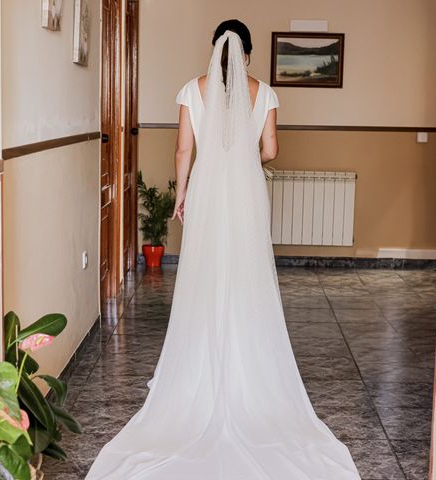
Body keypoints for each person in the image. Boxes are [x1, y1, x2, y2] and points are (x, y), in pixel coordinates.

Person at [87, 19, 360, 479]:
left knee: (205, 274)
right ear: (247, 54)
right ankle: (250, 365)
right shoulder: (266, 93)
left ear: (214, 51)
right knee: (249, 272)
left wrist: (182, 195)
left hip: (209, 192)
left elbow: (182, 151)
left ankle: (199, 365)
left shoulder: (191, 91)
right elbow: (270, 150)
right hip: (248, 192)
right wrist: (245, 156)